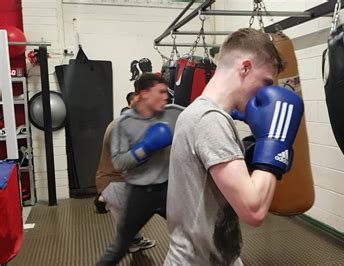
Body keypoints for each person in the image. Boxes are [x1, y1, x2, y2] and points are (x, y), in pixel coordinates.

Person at [164, 28, 304, 265]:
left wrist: (253, 151)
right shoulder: (209, 119)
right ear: (245, 67)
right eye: (266, 82)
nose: (268, 93)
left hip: (218, 257)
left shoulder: (202, 113)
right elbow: (254, 210)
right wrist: (275, 142)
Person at [96, 73, 171, 265]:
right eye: (161, 92)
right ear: (144, 94)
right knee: (122, 245)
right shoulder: (121, 125)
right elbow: (120, 164)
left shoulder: (161, 118)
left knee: (188, 228)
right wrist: (145, 148)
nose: (165, 96)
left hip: (157, 186)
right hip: (130, 187)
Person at [94, 119, 156, 252]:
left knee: (128, 217)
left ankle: (134, 241)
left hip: (113, 182)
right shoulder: (119, 129)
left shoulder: (120, 125)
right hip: (115, 183)